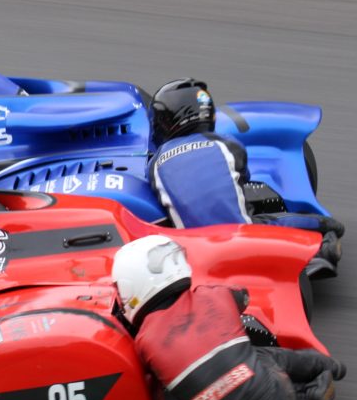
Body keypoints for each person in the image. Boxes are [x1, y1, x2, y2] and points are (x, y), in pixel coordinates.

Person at [112, 235, 345, 400]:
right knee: (262, 355)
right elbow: (243, 296)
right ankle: (329, 370)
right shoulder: (214, 294)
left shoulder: (143, 341)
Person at [147, 77, 344, 276]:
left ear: (170, 121)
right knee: (328, 226)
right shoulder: (228, 144)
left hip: (193, 252)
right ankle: (315, 247)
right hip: (243, 236)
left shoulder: (155, 163)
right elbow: (242, 181)